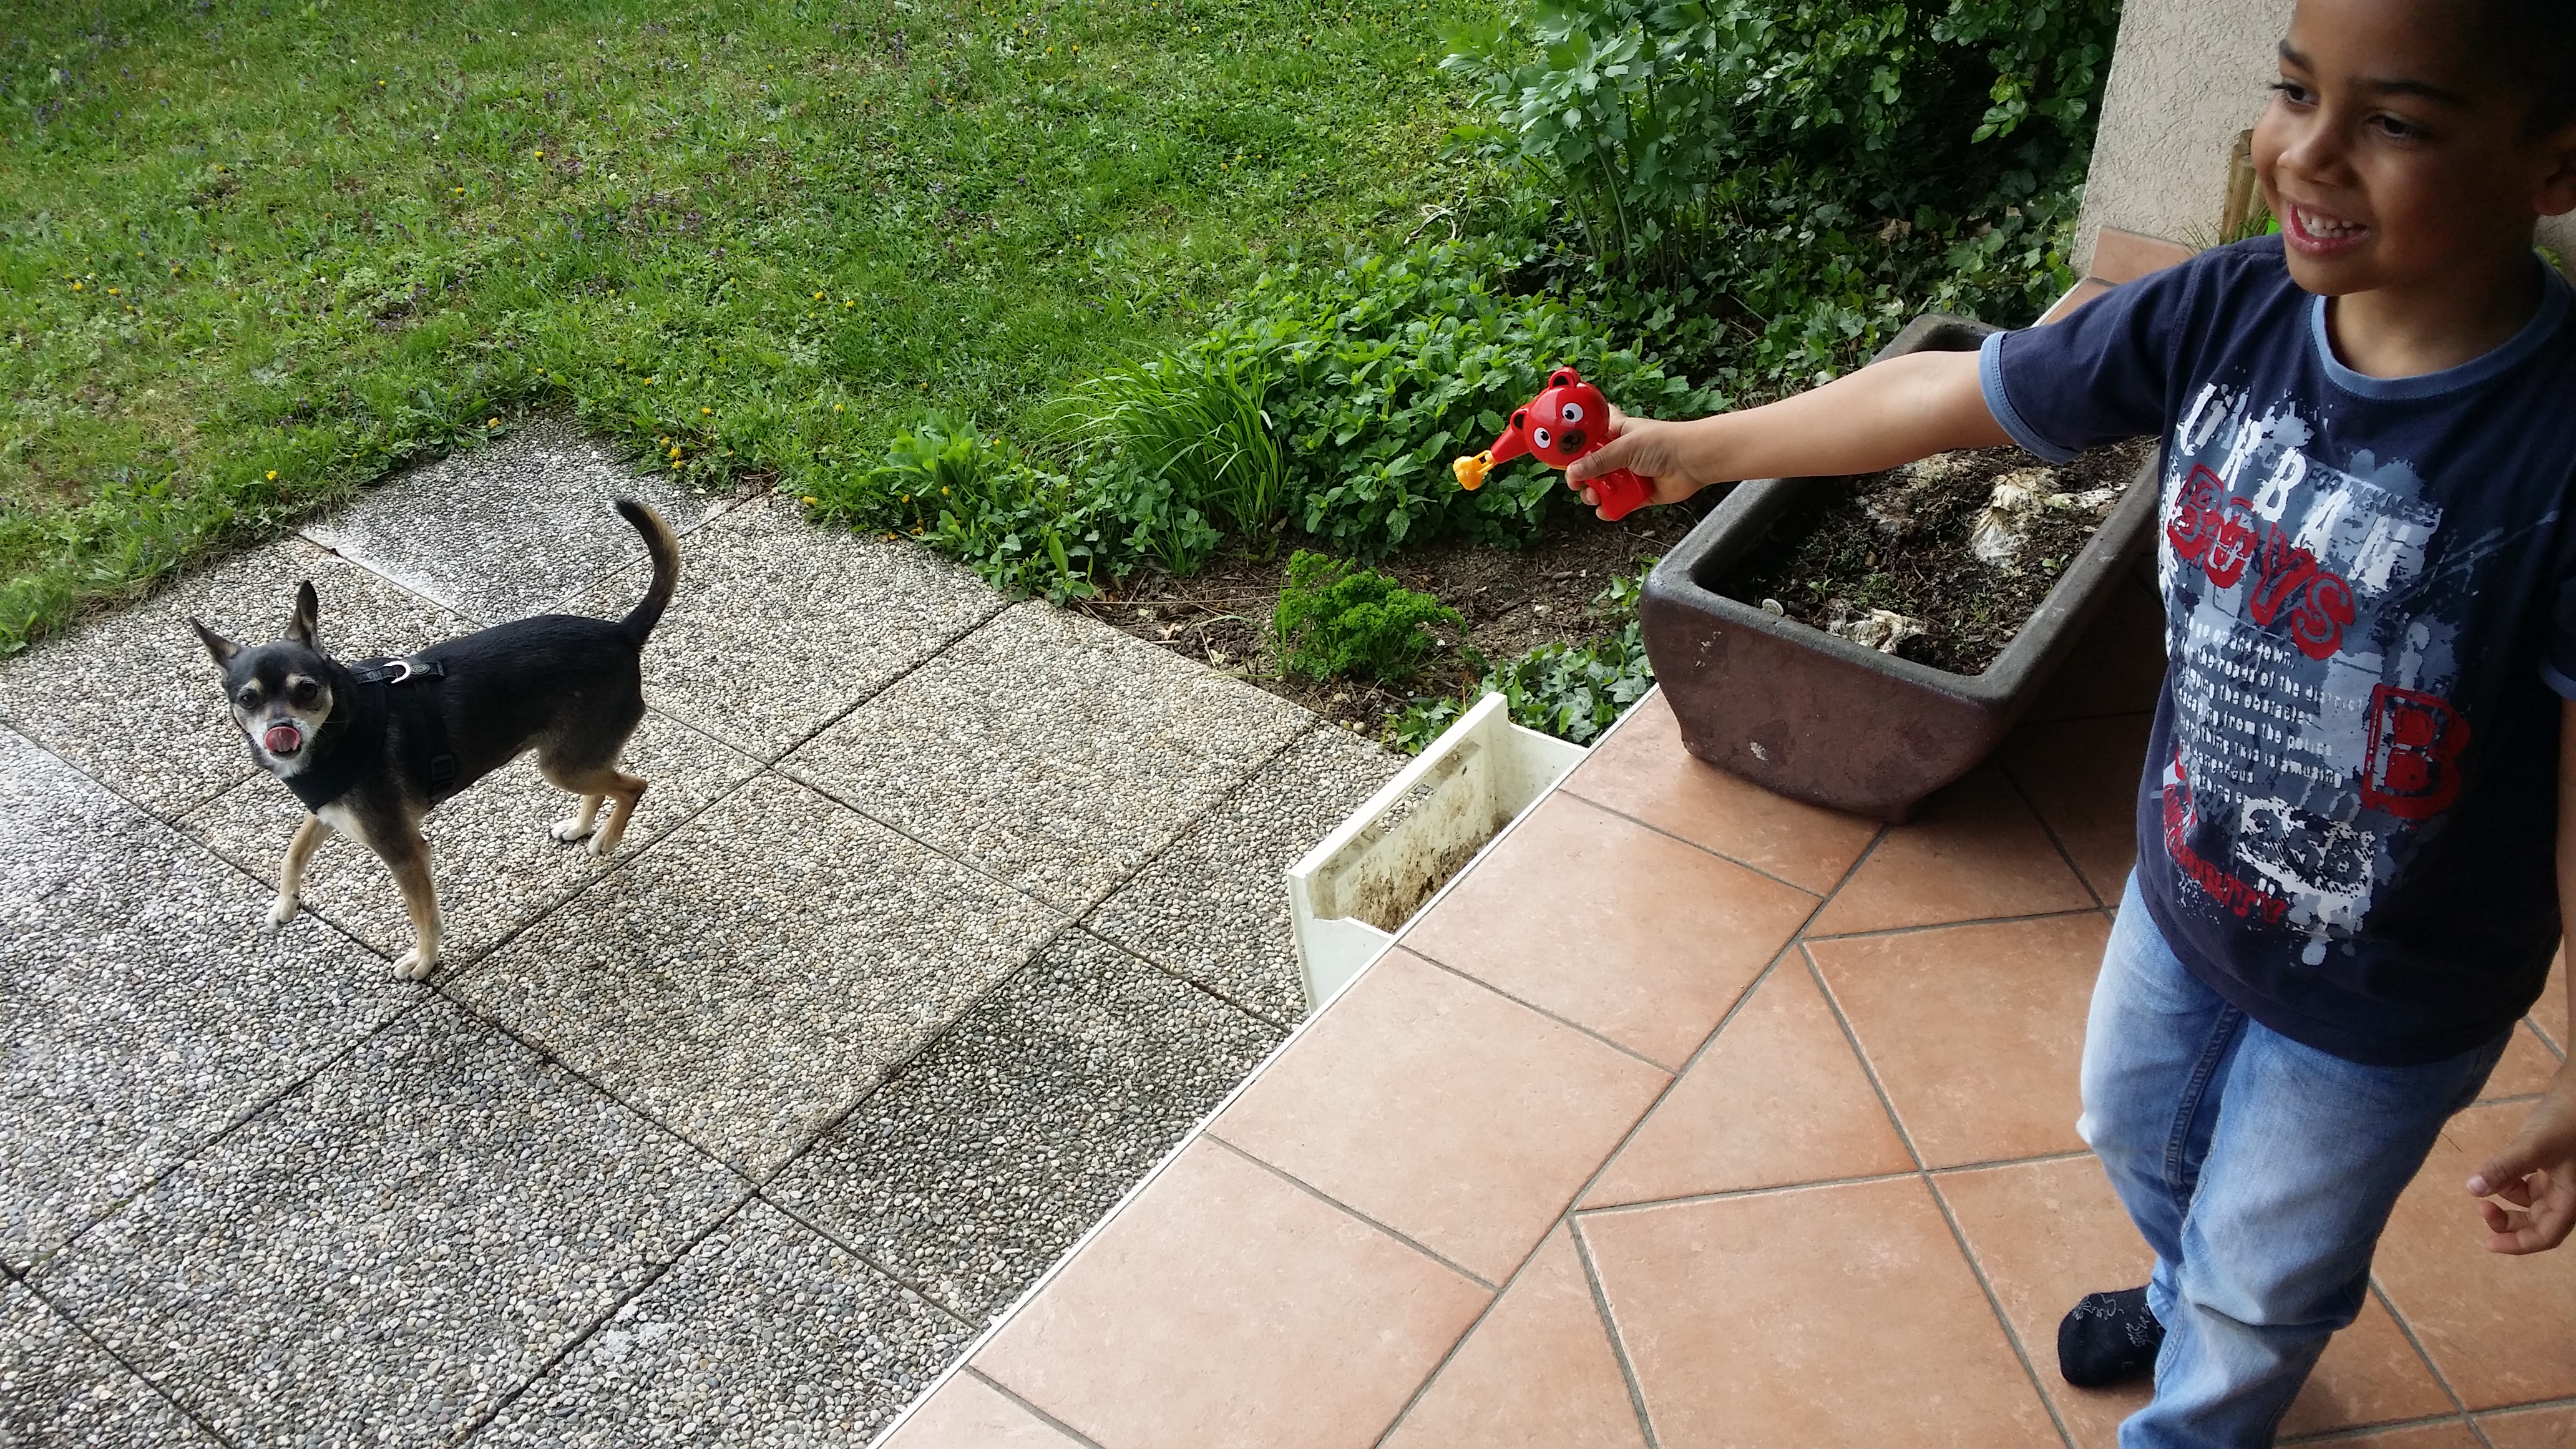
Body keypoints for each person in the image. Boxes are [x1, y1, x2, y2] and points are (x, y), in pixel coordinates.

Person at [1565, 1, 2576, 1443]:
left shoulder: (2555, 447)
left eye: (2397, 121)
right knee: (2132, 1125)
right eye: (2296, 90)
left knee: (2270, 1272)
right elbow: (1950, 392)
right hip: (2187, 884)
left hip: (2395, 987)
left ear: (2555, 164)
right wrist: (1699, 450)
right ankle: (2184, 1291)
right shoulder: (2226, 310)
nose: (2308, 152)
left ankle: (2207, 1401)